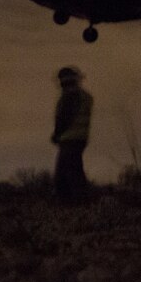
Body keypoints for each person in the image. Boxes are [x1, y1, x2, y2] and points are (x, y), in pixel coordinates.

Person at [51, 66, 93, 199]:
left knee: (66, 174)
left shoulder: (69, 96)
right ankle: (76, 201)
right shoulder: (85, 96)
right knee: (73, 169)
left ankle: (75, 202)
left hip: (69, 138)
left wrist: (56, 135)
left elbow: (64, 118)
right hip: (80, 138)